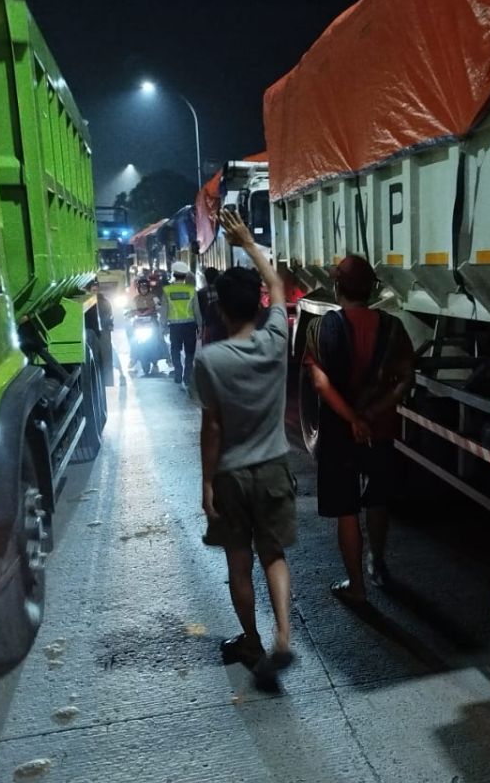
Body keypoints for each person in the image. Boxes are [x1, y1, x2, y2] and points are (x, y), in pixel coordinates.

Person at [193, 208, 297, 685]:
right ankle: (283, 635)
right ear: (256, 306)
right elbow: (277, 288)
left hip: (233, 476)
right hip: (274, 468)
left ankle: (252, 641)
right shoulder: (277, 340)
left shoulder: (210, 360)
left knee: (239, 560)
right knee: (273, 554)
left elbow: (211, 427)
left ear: (219, 309)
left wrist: (206, 482)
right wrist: (249, 244)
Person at [303, 255, 415, 604]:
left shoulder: (319, 330)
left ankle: (357, 587)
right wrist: (371, 415)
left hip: (339, 432)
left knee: (347, 509)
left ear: (337, 287)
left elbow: (320, 384)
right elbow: (404, 381)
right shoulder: (394, 328)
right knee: (377, 500)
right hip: (378, 429)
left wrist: (352, 419)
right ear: (372, 289)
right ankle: (377, 563)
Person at [163, 261, 198, 388]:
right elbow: (196, 310)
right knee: (189, 351)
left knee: (175, 349)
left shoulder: (167, 290)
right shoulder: (191, 290)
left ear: (174, 275)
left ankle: (178, 371)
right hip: (190, 325)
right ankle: (187, 375)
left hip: (175, 326)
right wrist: (200, 326)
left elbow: (164, 310)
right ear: (184, 276)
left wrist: (162, 327)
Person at [194, 266, 228, 345]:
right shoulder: (223, 290)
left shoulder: (201, 293)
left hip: (208, 325)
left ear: (205, 278)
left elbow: (199, 311)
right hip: (223, 323)